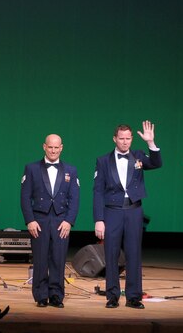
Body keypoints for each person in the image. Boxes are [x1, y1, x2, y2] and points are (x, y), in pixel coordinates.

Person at [93, 121, 161, 309]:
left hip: (133, 210)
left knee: (133, 254)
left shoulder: (138, 156)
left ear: (132, 139)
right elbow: (97, 191)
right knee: (111, 254)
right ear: (115, 139)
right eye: (121, 138)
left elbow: (156, 163)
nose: (125, 142)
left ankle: (133, 297)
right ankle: (112, 296)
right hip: (112, 211)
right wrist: (99, 219)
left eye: (128, 138)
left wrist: (151, 143)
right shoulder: (103, 160)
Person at [20, 134, 80, 308]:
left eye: (56, 147)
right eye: (50, 147)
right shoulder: (31, 168)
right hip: (39, 221)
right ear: (44, 147)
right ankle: (40, 295)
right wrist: (30, 220)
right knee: (40, 260)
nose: (53, 151)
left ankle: (56, 296)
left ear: (61, 148)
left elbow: (74, 199)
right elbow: (25, 197)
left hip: (61, 221)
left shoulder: (71, 170)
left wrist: (69, 221)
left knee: (59, 260)